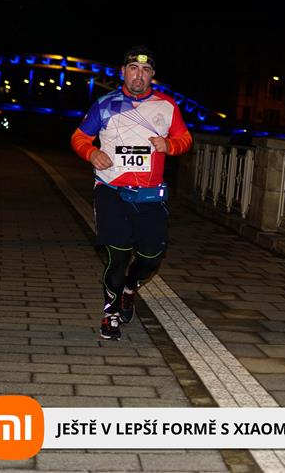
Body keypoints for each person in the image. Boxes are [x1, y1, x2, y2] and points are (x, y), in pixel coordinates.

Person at [71, 45, 193, 340]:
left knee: (151, 257)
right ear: (123, 72)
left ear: (152, 75)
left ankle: (129, 288)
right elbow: (79, 137)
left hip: (149, 195)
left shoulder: (167, 106)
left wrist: (170, 145)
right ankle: (111, 313)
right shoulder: (105, 104)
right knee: (118, 256)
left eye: (146, 70)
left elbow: (185, 138)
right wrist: (91, 153)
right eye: (134, 69)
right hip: (111, 189)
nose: (139, 75)